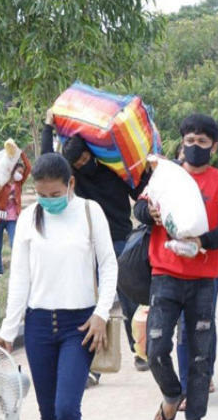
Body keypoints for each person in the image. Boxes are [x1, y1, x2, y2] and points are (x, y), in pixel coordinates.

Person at [0, 153, 116, 420]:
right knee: (48, 413)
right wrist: (7, 330)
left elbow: (108, 266)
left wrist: (101, 314)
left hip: (80, 326)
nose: (48, 202)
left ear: (70, 184)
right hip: (38, 327)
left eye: (54, 195)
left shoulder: (91, 213)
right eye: (42, 195)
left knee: (66, 409)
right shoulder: (31, 219)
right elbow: (20, 278)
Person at [134, 114, 218, 420]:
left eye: (202, 142)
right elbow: (140, 206)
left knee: (198, 358)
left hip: (204, 282)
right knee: (155, 348)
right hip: (165, 276)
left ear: (214, 147)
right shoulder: (165, 176)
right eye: (189, 141)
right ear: (181, 143)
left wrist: (203, 243)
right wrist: (146, 212)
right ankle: (170, 395)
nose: (195, 147)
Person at [42, 110, 150, 374]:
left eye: (85, 158)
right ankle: (92, 367)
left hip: (121, 242)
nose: (82, 163)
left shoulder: (114, 171)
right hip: (88, 245)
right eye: (77, 163)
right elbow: (46, 162)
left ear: (92, 152)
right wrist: (47, 127)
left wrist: (146, 171)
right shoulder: (73, 180)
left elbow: (139, 191)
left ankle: (140, 352)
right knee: (90, 304)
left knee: (130, 299)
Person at [171, 142, 218, 406]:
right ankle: (184, 388)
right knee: (182, 330)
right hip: (175, 273)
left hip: (206, 274)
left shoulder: (217, 185)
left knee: (203, 328)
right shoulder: (171, 187)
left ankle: (205, 374)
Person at [0, 152, 31, 277]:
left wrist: (22, 154)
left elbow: (29, 168)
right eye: (18, 172)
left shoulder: (19, 184)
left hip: (12, 218)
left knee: (14, 243)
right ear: (12, 171)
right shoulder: (2, 183)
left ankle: (17, 269)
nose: (20, 174)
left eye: (21, 173)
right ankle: (0, 271)